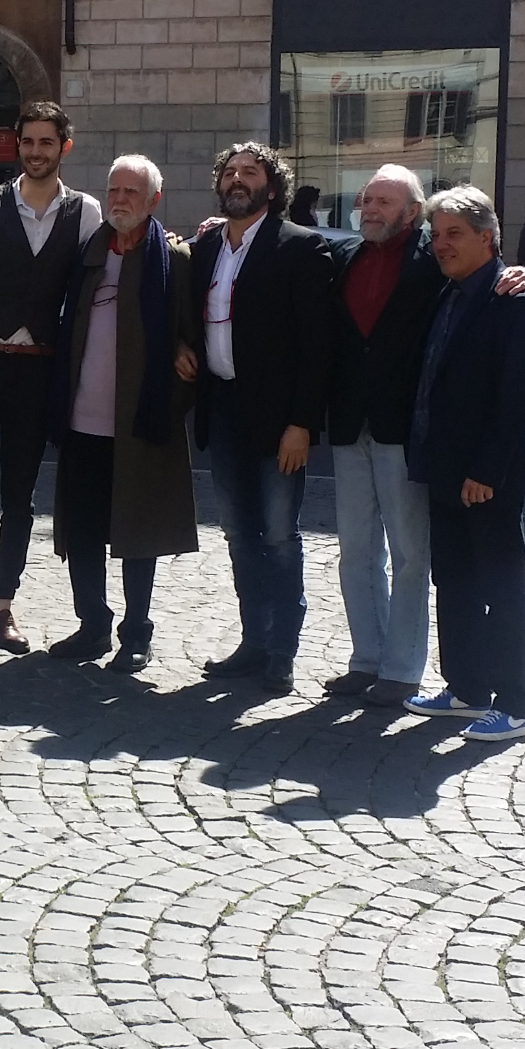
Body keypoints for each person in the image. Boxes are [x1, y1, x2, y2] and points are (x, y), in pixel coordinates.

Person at [323, 165, 525, 709]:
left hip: (427, 445)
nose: (371, 208)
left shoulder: (445, 269)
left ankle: (431, 678)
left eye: (385, 201)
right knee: (386, 560)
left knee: (431, 561)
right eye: (367, 199)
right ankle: (405, 670)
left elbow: (511, 392)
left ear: (410, 212)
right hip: (375, 434)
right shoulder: (350, 257)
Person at [0, 103, 102, 653]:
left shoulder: (86, 212)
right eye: (27, 141)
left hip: (36, 368)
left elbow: (92, 288)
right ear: (17, 145)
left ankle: (2, 607)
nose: (35, 151)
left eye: (46, 142)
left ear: (64, 147)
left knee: (19, 495)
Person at [178, 143, 333, 696]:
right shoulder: (204, 247)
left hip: (278, 421)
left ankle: (281, 652)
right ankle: (253, 641)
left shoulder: (300, 246)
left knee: (280, 535)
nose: (238, 179)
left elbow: (318, 346)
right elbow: (189, 315)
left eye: (250, 171)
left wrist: (302, 424)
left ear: (272, 185)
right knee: (240, 534)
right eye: (229, 172)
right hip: (222, 411)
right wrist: (182, 347)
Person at [47, 156, 196, 673]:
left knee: (139, 532)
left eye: (132, 191)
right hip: (82, 421)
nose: (120, 200)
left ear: (154, 200)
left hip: (140, 425)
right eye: (114, 190)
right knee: (83, 532)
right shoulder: (87, 255)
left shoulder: (173, 259)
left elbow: (191, 331)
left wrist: (182, 350)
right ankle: (92, 625)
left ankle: (136, 633)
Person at [405, 187, 525, 743]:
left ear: (488, 237)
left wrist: (486, 471)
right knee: (455, 581)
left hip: (487, 476)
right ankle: (466, 689)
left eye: (454, 234)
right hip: (442, 466)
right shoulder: (449, 291)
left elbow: (513, 398)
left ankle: (514, 703)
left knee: (501, 586)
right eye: (436, 235)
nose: (441, 244)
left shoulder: (512, 300)